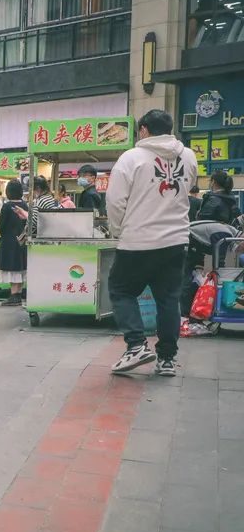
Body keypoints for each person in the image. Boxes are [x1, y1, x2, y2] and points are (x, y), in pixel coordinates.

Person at [106, 109, 198, 376]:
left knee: (121, 290)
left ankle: (136, 345)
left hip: (137, 241)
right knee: (168, 299)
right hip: (176, 241)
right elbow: (188, 189)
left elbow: (115, 201)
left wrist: (117, 230)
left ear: (143, 130)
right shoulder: (189, 155)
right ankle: (167, 359)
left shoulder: (131, 157)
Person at [0, 180, 29, 307]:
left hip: (9, 241)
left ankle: (14, 295)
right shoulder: (25, 205)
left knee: (12, 268)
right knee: (20, 267)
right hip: (22, 240)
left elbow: (2, 226)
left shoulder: (6, 206)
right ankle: (19, 293)